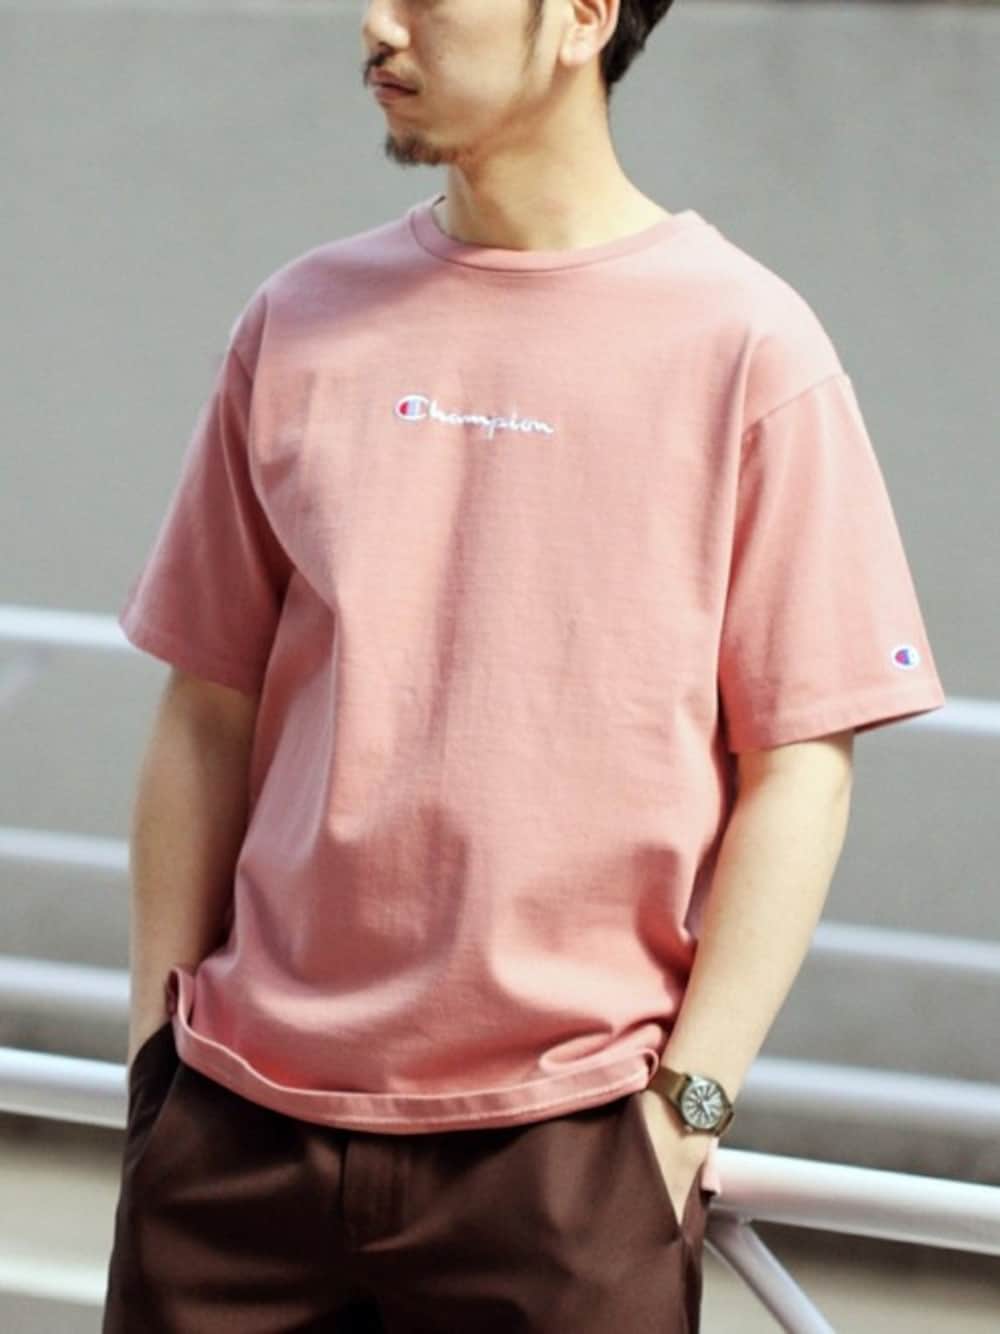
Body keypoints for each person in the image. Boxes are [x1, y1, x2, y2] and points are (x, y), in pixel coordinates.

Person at [101, 2, 948, 1331]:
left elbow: (800, 766)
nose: (379, 25)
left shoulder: (746, 345)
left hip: (567, 1163)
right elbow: (208, 706)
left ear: (584, 17)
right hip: (236, 1138)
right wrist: (154, 1066)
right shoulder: (299, 318)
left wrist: (684, 1114)